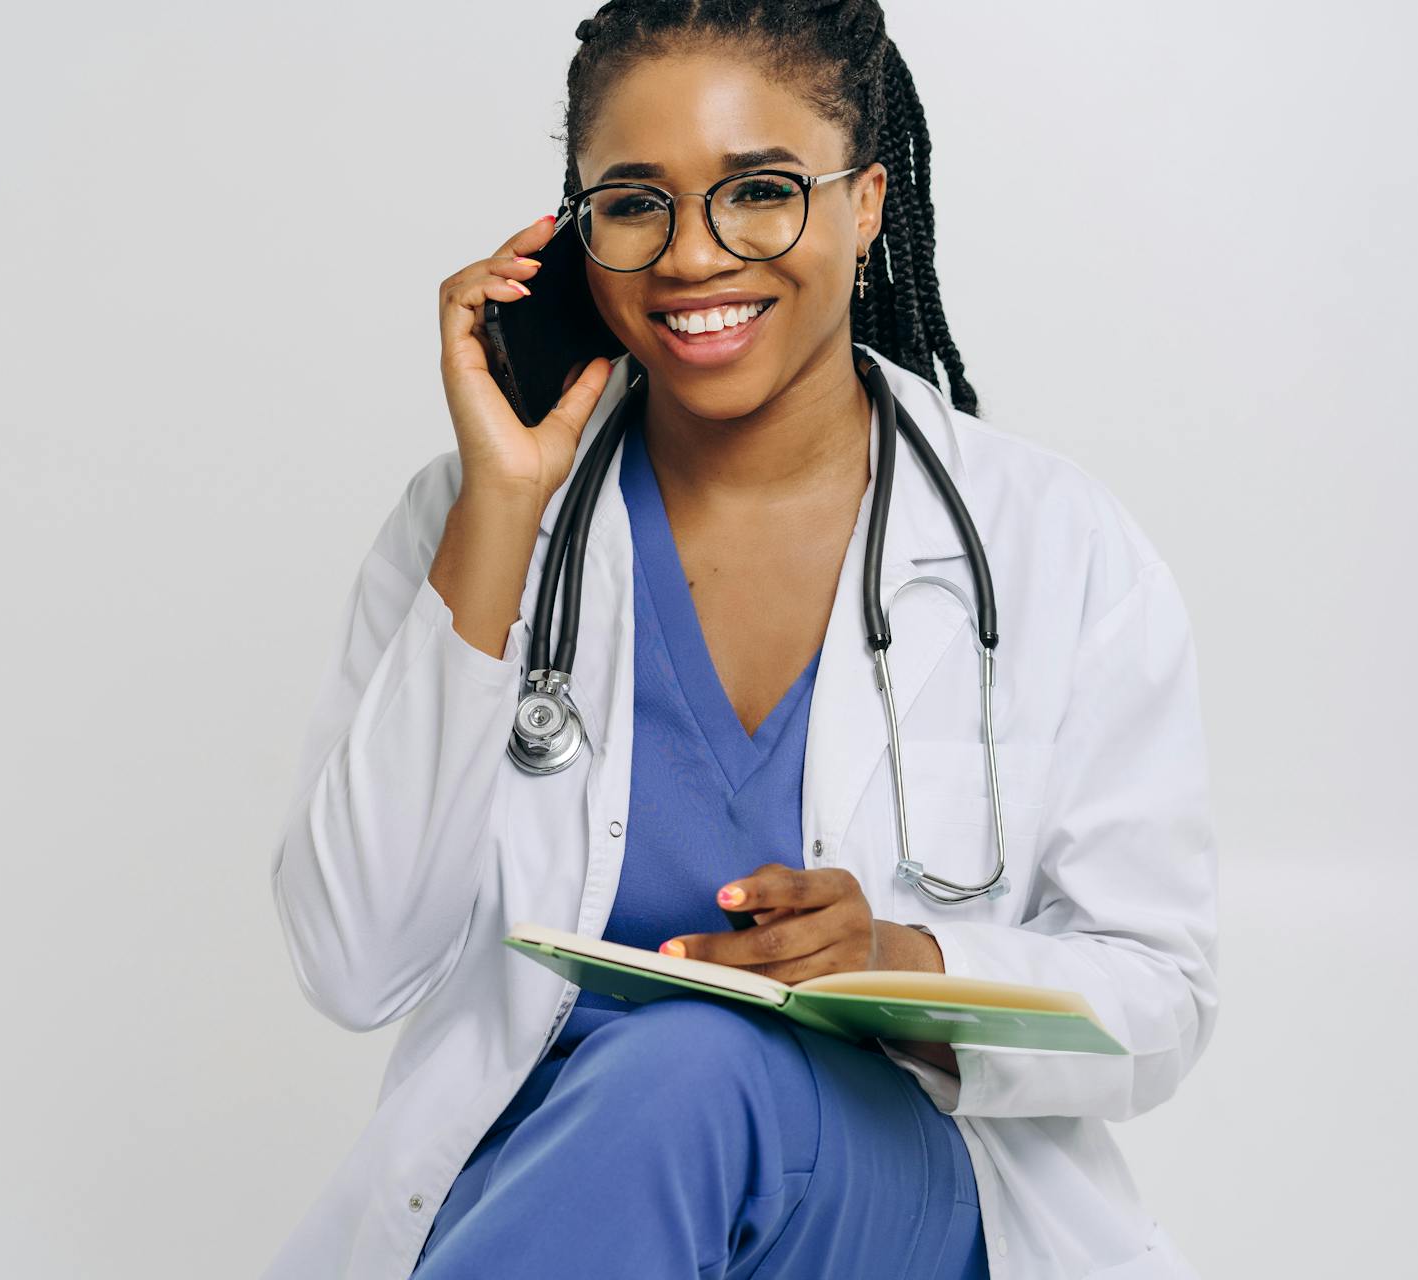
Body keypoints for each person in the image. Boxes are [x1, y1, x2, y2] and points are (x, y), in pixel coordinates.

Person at [266, 2, 1218, 1276]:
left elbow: (1160, 999)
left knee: (693, 1067)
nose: (693, 257)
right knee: (652, 1099)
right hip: (540, 1180)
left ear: (869, 203)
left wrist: (907, 958)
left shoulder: (1054, 546)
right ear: (575, 229)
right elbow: (351, 960)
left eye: (760, 191)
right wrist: (501, 506)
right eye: (635, 202)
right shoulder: (473, 524)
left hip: (890, 1191)